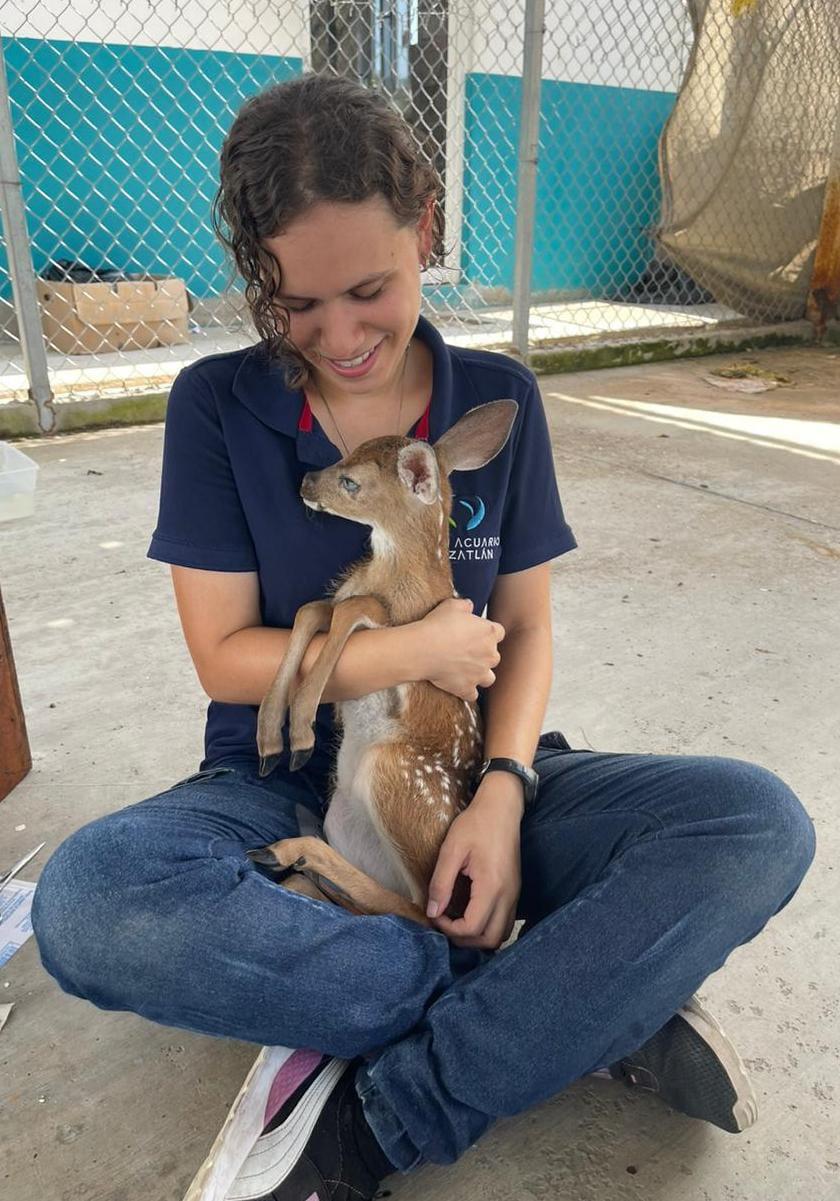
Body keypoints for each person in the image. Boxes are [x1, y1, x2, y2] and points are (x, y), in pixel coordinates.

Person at [31, 73, 815, 1201]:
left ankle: (378, 1115)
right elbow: (226, 656)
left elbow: (530, 626)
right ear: (259, 275)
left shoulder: (495, 399)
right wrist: (412, 649)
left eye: (369, 290)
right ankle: (565, 1004)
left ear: (427, 231)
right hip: (276, 777)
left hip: (471, 771)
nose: (339, 336)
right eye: (297, 306)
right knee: (92, 902)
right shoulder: (217, 406)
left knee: (754, 824)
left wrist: (503, 791)